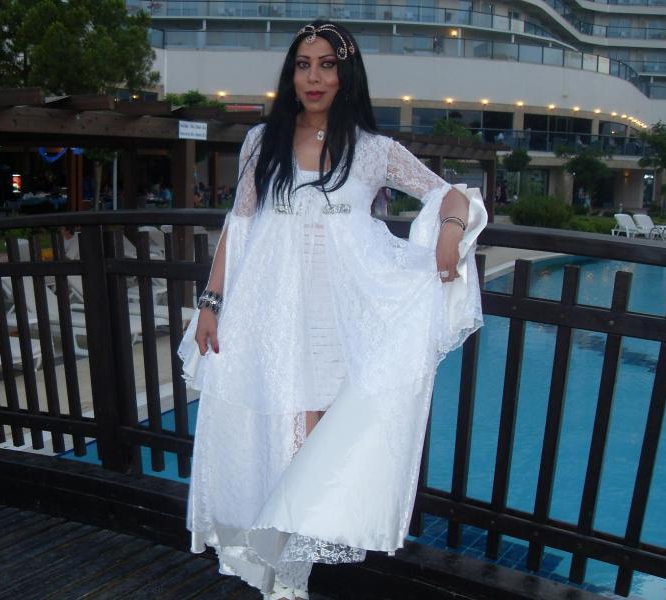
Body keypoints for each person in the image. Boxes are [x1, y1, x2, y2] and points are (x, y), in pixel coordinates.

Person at [178, 21, 487, 600]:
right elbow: (238, 226)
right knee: (264, 438)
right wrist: (211, 303)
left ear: (347, 75)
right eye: (303, 64)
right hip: (267, 318)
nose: (313, 77)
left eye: (326, 65)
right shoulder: (262, 142)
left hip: (333, 326)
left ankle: (289, 580)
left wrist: (450, 227)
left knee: (312, 453)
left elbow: (448, 192)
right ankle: (274, 578)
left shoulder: (372, 151)